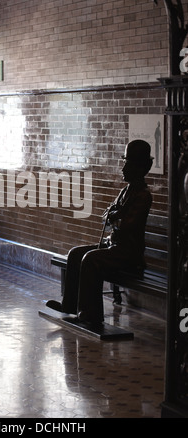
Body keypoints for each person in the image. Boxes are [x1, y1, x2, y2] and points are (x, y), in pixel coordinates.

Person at [46, 139, 153, 325]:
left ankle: (91, 314)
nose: (123, 168)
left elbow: (127, 224)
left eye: (128, 163)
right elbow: (107, 214)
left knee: (90, 259)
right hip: (115, 247)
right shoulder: (126, 191)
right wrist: (114, 216)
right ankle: (69, 305)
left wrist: (115, 217)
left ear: (139, 167)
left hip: (129, 253)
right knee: (76, 253)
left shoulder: (143, 195)